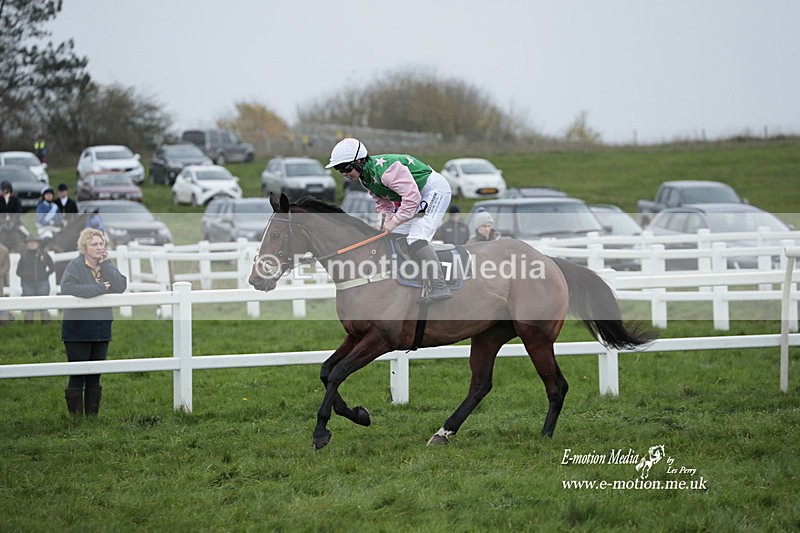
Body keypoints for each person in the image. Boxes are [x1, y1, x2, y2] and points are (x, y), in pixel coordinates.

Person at [326, 138, 453, 301]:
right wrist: (385, 223)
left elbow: (412, 198)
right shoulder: (366, 179)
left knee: (416, 238)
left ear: (359, 161)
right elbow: (383, 205)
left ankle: (439, 285)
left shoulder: (386, 171)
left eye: (345, 167)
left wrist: (393, 222)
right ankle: (413, 275)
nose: (344, 173)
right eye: (339, 169)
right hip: (418, 195)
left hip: (435, 190)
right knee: (395, 235)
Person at [60, 228, 127, 416]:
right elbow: (67, 288)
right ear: (84, 247)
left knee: (95, 374)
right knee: (77, 374)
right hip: (78, 329)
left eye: (101, 244)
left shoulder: (106, 265)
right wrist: (98, 288)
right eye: (94, 244)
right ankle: (76, 420)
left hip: (102, 328)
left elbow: (120, 286)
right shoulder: (75, 266)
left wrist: (106, 265)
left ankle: (91, 419)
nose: (99, 247)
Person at [16, 235, 55, 324]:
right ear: (27, 245)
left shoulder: (44, 254)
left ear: (38, 244)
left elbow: (52, 267)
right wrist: (26, 277)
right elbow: (18, 271)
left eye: (34, 242)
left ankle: (45, 327)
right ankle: (29, 328)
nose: (32, 244)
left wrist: (45, 275)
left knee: (44, 306)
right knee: (29, 307)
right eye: (30, 243)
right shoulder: (24, 256)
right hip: (28, 285)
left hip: (42, 283)